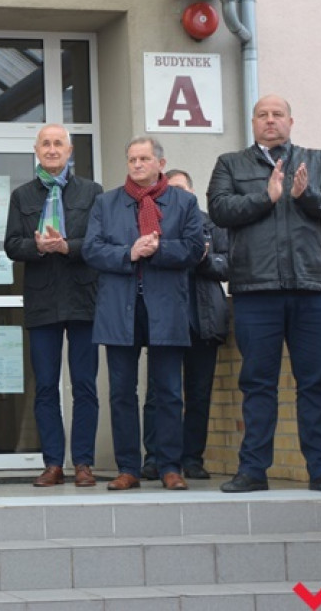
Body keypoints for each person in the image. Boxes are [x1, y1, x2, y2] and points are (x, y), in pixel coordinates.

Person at [208, 94, 321, 494]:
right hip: (255, 291)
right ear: (253, 122)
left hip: (310, 289)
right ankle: (253, 470)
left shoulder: (319, 160)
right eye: (262, 115)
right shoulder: (230, 164)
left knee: (315, 382)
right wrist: (266, 197)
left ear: (291, 121)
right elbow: (219, 209)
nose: (270, 120)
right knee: (257, 383)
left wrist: (307, 195)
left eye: (277, 114)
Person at [82, 135, 204, 492]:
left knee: (168, 391)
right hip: (120, 308)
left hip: (166, 307)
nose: (137, 165)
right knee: (122, 392)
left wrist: (158, 249)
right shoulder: (106, 203)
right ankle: (128, 468)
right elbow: (92, 249)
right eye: (132, 159)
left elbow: (195, 248)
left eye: (144, 159)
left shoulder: (184, 202)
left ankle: (170, 466)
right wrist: (129, 253)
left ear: (160, 164)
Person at [4, 124, 102, 488]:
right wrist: (38, 247)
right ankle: (53, 463)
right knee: (45, 386)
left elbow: (99, 241)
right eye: (45, 143)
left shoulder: (92, 192)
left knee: (84, 385)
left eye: (58, 143)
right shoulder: (22, 196)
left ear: (69, 150)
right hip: (42, 300)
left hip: (83, 298)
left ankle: (84, 463)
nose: (52, 149)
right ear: (36, 150)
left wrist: (66, 247)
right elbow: (12, 244)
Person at [140, 168, 229, 481]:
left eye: (181, 189)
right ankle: (155, 458)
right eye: (170, 190)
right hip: (164, 320)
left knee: (198, 394)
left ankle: (192, 459)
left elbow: (229, 264)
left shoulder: (211, 224)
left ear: (191, 193)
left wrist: (204, 260)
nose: (176, 195)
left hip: (203, 320)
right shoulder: (152, 223)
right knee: (158, 393)